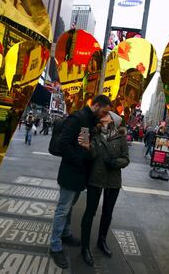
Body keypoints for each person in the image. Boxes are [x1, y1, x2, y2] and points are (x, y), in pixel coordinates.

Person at [49, 95, 112, 269]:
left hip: (79, 174)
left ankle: (66, 233)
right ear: (96, 105)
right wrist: (79, 159)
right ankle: (55, 245)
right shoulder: (78, 118)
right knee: (63, 209)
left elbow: (84, 144)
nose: (104, 115)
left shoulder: (89, 120)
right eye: (104, 111)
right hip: (70, 173)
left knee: (68, 207)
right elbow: (64, 144)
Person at [80, 111, 129, 266]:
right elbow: (92, 154)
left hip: (113, 181)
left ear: (114, 120)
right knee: (90, 212)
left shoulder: (121, 138)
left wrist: (115, 163)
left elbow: (126, 159)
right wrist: (88, 148)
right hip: (96, 178)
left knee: (107, 213)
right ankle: (84, 247)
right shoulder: (95, 134)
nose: (103, 115)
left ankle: (102, 241)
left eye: (107, 114)